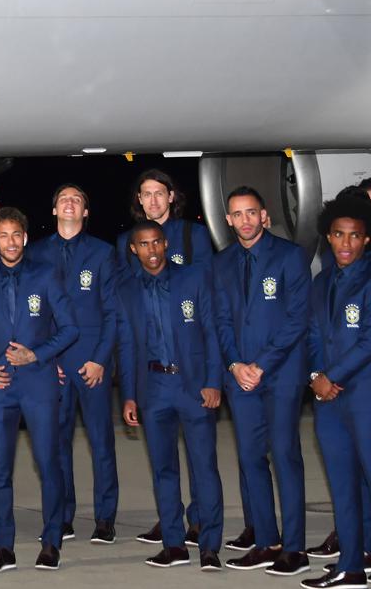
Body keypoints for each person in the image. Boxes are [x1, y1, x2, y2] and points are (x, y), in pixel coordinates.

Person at [0, 207, 79, 572]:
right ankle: (3, 547)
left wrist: (36, 354)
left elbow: (70, 328)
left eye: (16, 235)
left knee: (48, 463)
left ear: (25, 238)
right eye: (3, 236)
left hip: (38, 383)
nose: (10, 242)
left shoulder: (45, 274)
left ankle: (52, 542)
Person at [299, 197, 371, 589]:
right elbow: (312, 334)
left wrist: (330, 376)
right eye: (339, 235)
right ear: (328, 237)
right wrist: (315, 376)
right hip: (328, 401)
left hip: (366, 398)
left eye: (355, 236)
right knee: (341, 485)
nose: (346, 243)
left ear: (366, 240)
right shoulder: (322, 280)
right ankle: (350, 567)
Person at [115, 168, 222, 548]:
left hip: (192, 376)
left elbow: (210, 321)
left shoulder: (193, 244)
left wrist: (214, 379)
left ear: (171, 196)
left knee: (202, 464)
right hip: (153, 381)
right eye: (146, 194)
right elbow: (127, 333)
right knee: (163, 466)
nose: (154, 200)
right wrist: (128, 392)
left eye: (160, 192)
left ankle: (206, 537)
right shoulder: (127, 270)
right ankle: (172, 535)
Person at [211, 186, 312, 576]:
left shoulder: (290, 256)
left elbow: (297, 318)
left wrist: (261, 364)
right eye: (238, 214)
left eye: (252, 212)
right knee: (251, 457)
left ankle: (296, 547)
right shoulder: (221, 263)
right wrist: (236, 364)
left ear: (265, 215)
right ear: (229, 220)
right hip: (241, 379)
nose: (246, 220)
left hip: (281, 373)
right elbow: (220, 319)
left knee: (285, 455)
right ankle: (267, 541)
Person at [27, 184, 119, 544]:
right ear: (54, 211)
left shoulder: (103, 253)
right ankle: (62, 516)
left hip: (92, 364)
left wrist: (100, 360)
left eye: (77, 199)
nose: (69, 203)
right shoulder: (35, 253)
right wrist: (45, 359)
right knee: (56, 444)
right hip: (53, 365)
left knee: (101, 443)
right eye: (62, 198)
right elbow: (33, 314)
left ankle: (105, 519)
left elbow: (112, 313)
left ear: (85, 212)